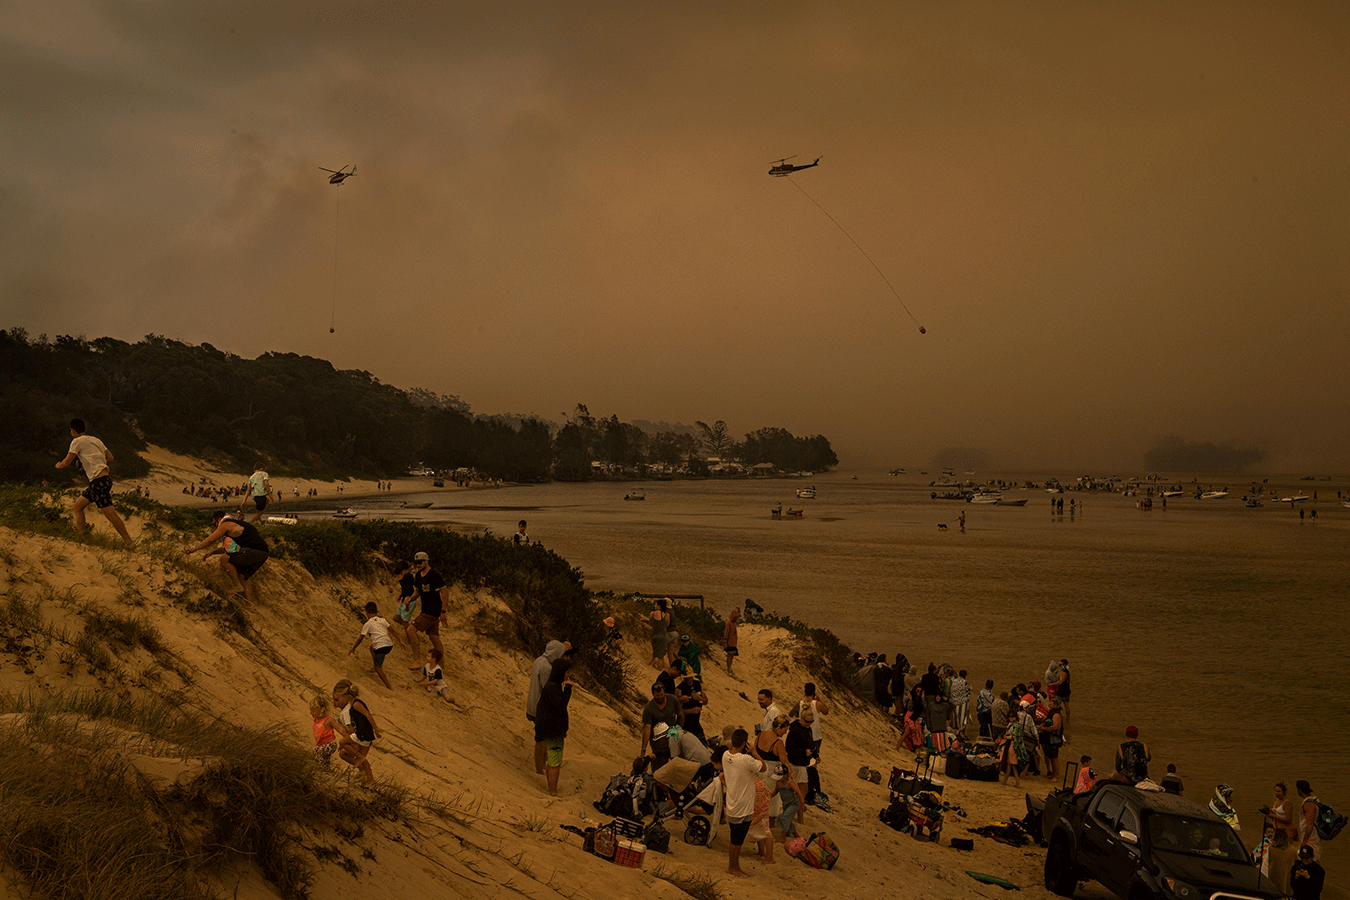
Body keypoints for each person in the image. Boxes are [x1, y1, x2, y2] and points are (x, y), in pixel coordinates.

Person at [55, 418, 133, 544]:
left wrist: (58, 465)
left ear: (73, 431)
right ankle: (81, 538)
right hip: (104, 480)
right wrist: (94, 460)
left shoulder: (77, 441)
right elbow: (110, 457)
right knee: (78, 506)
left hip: (98, 482)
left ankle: (129, 542)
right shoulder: (96, 440)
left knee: (110, 514)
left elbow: (66, 462)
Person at [183, 510, 270, 604]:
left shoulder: (226, 524)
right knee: (242, 576)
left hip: (254, 551)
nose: (215, 527)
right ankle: (249, 604)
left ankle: (237, 586)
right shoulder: (236, 524)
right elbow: (233, 548)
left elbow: (211, 539)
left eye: (214, 524)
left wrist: (194, 549)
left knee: (224, 559)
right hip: (263, 553)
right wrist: (213, 552)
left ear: (219, 519)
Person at [720, 730, 767, 877]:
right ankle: (733, 867)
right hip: (743, 807)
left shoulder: (725, 755)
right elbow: (763, 767)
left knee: (735, 838)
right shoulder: (746, 760)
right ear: (744, 744)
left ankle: (734, 866)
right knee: (737, 841)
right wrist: (754, 752)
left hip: (732, 805)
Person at [526, 640, 569, 774]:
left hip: (534, 704)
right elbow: (548, 691)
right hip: (540, 708)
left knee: (542, 738)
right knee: (542, 740)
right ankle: (540, 768)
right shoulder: (547, 668)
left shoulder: (539, 660)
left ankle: (543, 766)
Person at [534, 657, 573, 796]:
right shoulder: (552, 687)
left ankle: (552, 790)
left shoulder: (553, 686)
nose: (568, 675)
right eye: (567, 672)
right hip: (552, 731)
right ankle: (553, 791)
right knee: (555, 761)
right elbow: (561, 705)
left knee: (552, 759)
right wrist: (568, 688)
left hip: (553, 729)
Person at [331, 679, 381, 784]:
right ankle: (369, 780)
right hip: (363, 737)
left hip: (360, 736)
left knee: (344, 751)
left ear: (345, 696)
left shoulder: (349, 710)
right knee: (362, 760)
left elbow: (351, 729)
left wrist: (348, 741)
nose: (334, 703)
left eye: (336, 699)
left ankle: (364, 774)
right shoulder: (349, 708)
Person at [406, 551, 446, 661]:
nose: (418, 565)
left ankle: (416, 660)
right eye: (416, 563)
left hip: (431, 611)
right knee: (435, 639)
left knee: (410, 630)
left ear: (426, 561)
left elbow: (445, 592)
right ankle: (440, 666)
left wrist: (443, 612)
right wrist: (410, 599)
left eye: (420, 562)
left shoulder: (434, 575)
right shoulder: (418, 575)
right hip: (427, 611)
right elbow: (417, 592)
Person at [349, 601, 394, 689]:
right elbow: (392, 630)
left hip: (381, 647)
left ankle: (389, 686)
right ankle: (374, 666)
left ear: (366, 613)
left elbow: (360, 638)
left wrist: (353, 648)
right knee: (372, 647)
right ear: (377, 611)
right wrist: (400, 641)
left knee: (378, 668)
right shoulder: (383, 620)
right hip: (389, 645)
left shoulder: (368, 623)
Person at [1264, 782, 1298, 894]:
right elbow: (1276, 812)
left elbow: (1289, 819)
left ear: (1284, 792)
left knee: (1286, 851)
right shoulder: (1277, 801)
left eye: (1278, 791)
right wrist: (1269, 813)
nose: (1276, 793)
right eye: (1275, 791)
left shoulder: (1287, 803)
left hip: (1286, 831)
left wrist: (1273, 816)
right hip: (1278, 830)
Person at [640, 682, 684, 763]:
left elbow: (681, 715)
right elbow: (647, 728)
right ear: (653, 694)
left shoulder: (673, 699)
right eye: (657, 695)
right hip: (658, 745)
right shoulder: (649, 708)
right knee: (659, 769)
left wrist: (678, 729)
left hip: (673, 739)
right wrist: (644, 748)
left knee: (677, 763)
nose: (660, 697)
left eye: (662, 694)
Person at [389, 561, 418, 647]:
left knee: (405, 622)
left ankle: (411, 639)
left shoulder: (409, 577)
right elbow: (405, 589)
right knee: (396, 618)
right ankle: (411, 629)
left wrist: (401, 581)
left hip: (410, 601)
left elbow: (408, 589)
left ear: (405, 569)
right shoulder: (405, 576)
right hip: (404, 600)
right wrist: (401, 595)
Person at [676, 663, 707, 742]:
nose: (688, 680)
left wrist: (699, 698)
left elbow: (706, 701)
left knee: (703, 745)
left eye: (690, 677)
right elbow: (676, 711)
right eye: (686, 678)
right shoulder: (679, 689)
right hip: (685, 725)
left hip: (696, 723)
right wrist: (691, 711)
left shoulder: (697, 684)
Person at [1040, 697, 1064, 781]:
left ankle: (1055, 776)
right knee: (1050, 756)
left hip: (1053, 739)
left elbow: (1056, 727)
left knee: (1054, 758)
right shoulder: (1051, 712)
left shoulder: (1056, 714)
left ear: (1056, 705)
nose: (1049, 703)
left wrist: (1044, 729)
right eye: (1049, 702)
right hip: (1048, 739)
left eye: (1051, 702)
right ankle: (1053, 774)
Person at [1296, 781, 1321, 861]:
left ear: (1300, 790)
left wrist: (1305, 840)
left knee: (1311, 859)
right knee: (1313, 859)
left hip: (1310, 837)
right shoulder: (1315, 799)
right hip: (1313, 836)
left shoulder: (1308, 804)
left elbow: (1310, 823)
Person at [310, 695, 338, 765]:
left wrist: (348, 739)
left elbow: (340, 729)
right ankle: (326, 771)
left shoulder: (328, 720)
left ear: (321, 710)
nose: (311, 712)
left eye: (313, 711)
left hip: (330, 745)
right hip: (322, 745)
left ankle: (320, 768)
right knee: (325, 760)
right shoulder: (315, 720)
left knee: (316, 752)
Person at [648, 598, 672, 670]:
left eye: (656, 604)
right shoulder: (667, 615)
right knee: (660, 657)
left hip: (654, 636)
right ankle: (660, 670)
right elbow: (667, 625)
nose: (655, 605)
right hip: (663, 636)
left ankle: (647, 664)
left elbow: (650, 623)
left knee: (654, 653)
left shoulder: (652, 613)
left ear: (659, 606)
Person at [949, 669, 972, 735]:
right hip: (963, 703)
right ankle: (962, 734)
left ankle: (956, 734)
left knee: (956, 719)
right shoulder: (965, 683)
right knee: (963, 721)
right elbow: (969, 692)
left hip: (955, 703)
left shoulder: (954, 682)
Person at [724, 608, 741, 675]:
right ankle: (728, 668)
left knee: (732, 656)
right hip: (729, 643)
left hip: (733, 643)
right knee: (729, 656)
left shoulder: (734, 624)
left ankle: (730, 667)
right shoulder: (729, 624)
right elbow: (726, 633)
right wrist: (725, 641)